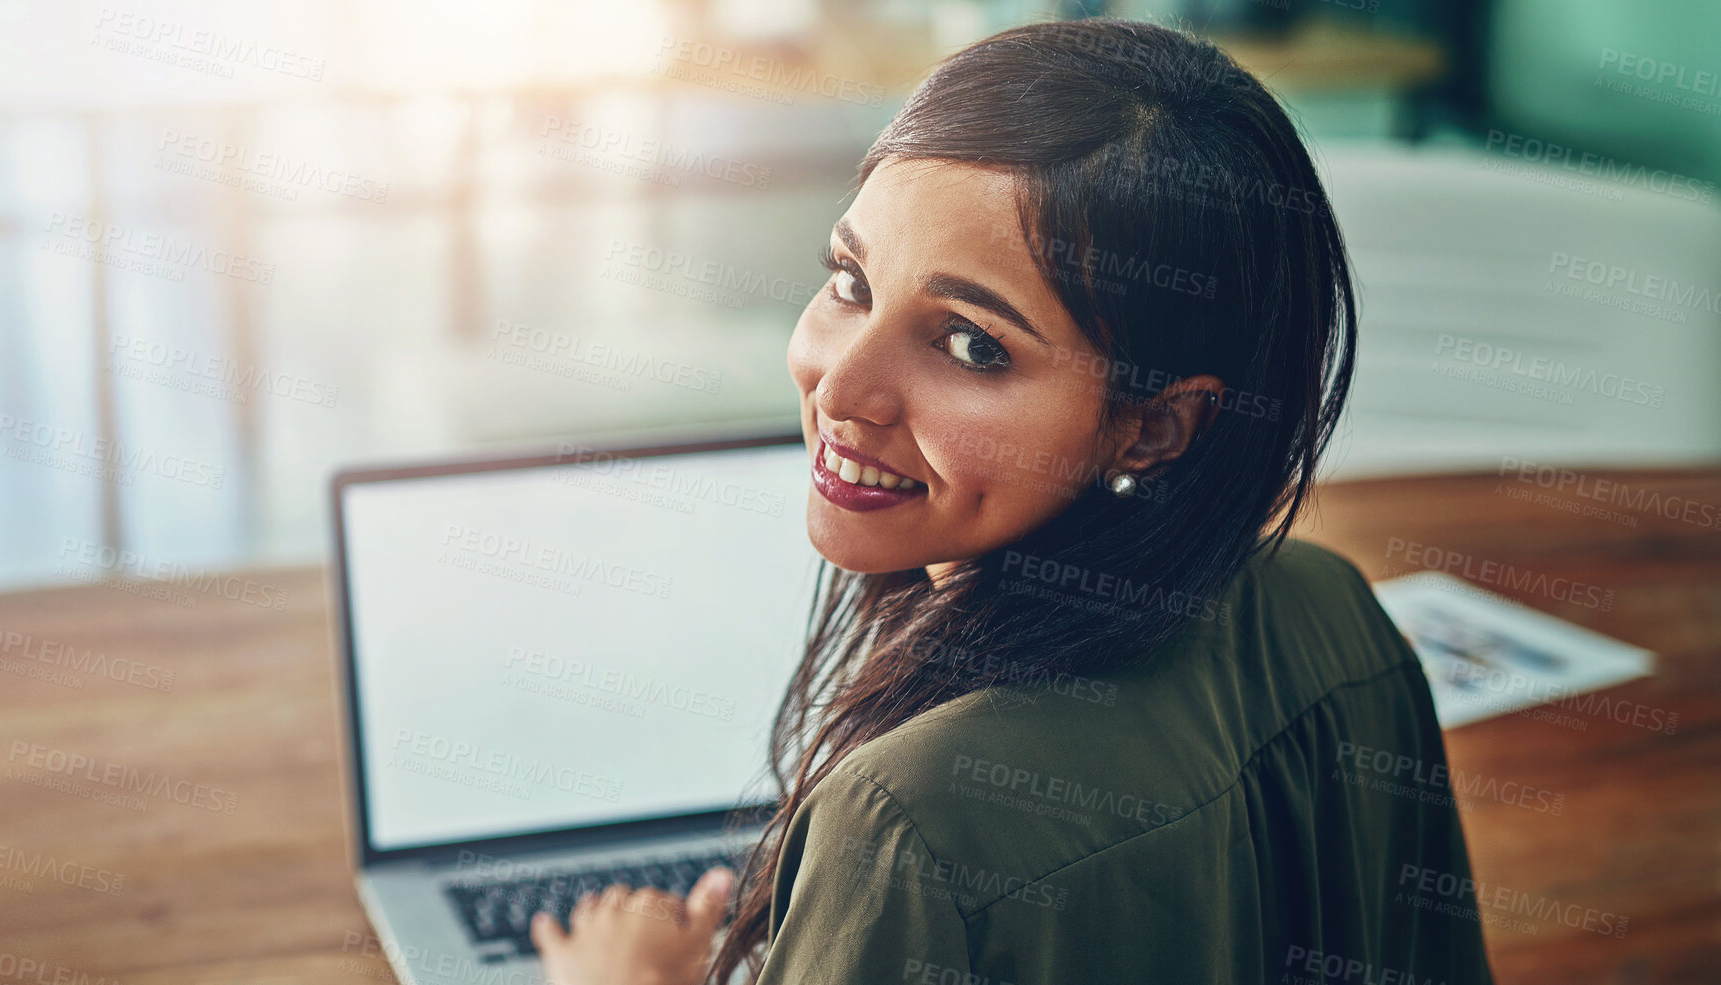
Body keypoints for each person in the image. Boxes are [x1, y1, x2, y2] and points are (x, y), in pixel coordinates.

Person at [532, 18, 1496, 985]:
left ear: (1155, 427)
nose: (841, 391)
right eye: (851, 282)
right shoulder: (1331, 606)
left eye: (971, 345)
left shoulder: (904, 820)